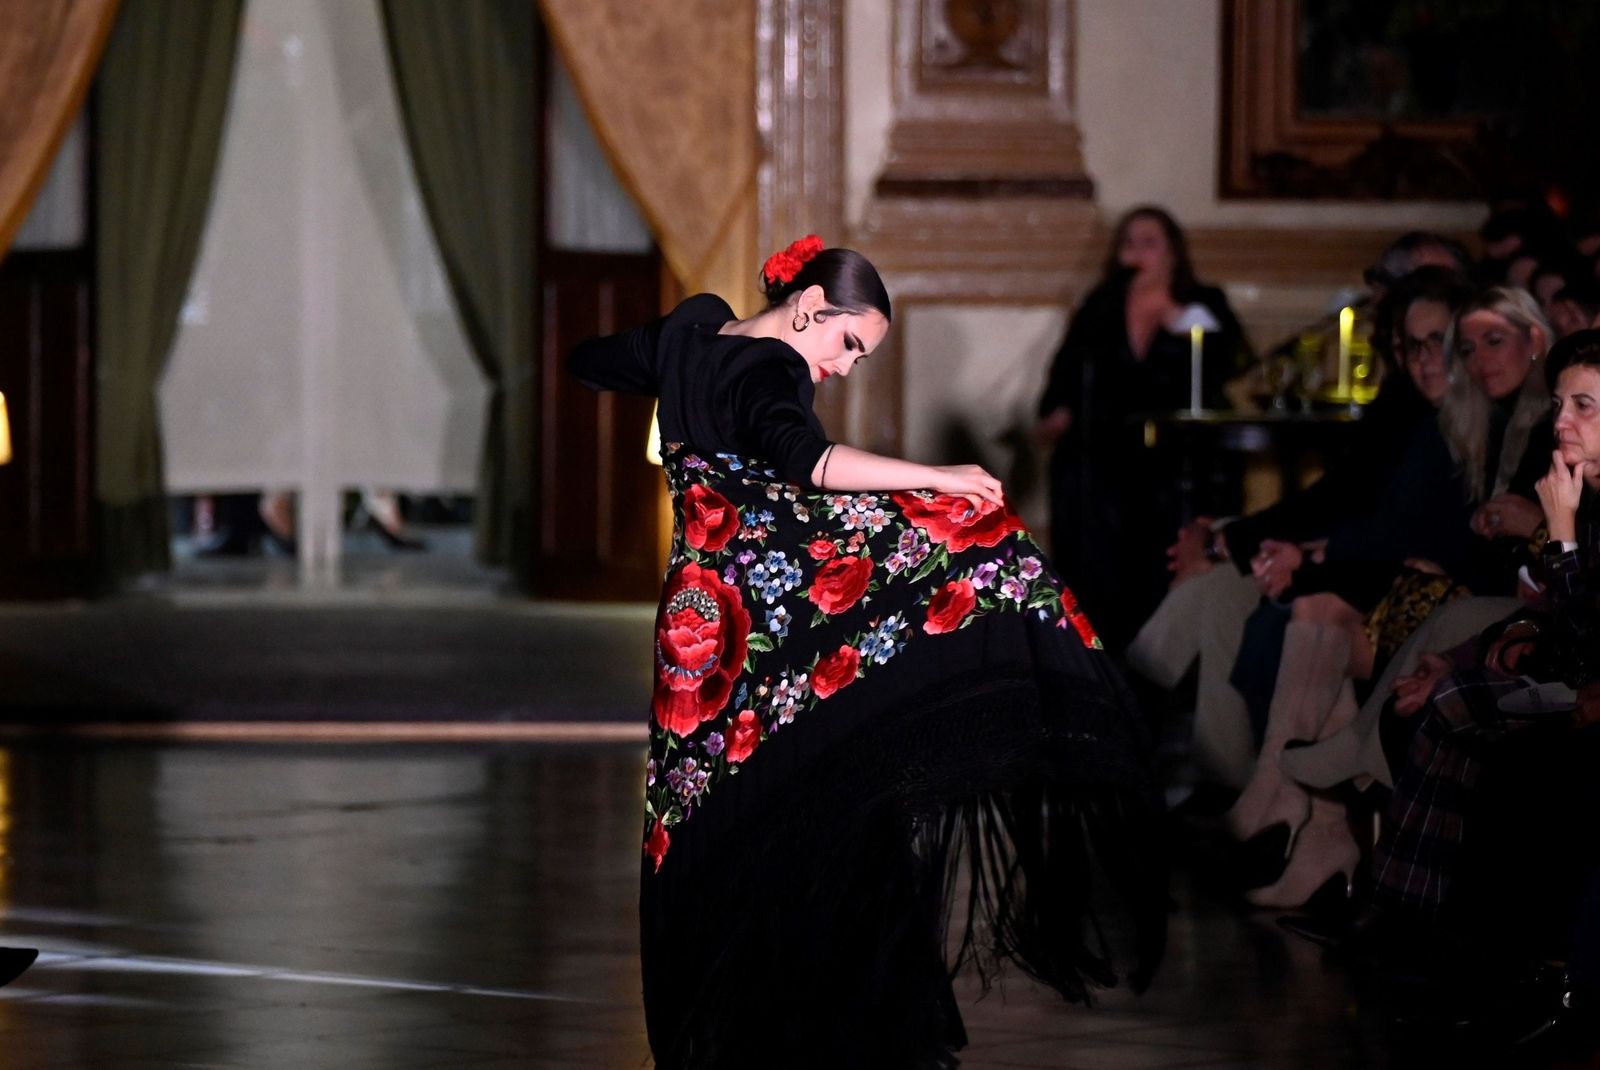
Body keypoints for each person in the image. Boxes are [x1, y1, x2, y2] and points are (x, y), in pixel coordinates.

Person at [569, 236, 1167, 1068]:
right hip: (766, 615)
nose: (846, 366)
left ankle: (734, 1023)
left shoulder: (695, 331)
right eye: (847, 343)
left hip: (695, 627)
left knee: (710, 811)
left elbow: (593, 361)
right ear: (809, 307)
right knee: (832, 771)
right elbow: (809, 463)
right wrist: (942, 476)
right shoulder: (773, 368)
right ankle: (809, 1018)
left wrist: (656, 374)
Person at [1037, 206, 1250, 647]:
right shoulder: (1101, 307)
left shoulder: (1202, 302)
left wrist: (1178, 317)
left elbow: (1233, 362)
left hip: (1174, 457)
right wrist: (1058, 410)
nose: (1137, 253)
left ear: (1173, 252)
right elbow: (1066, 374)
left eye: (1149, 243)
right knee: (1086, 505)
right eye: (1129, 243)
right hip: (1106, 455)